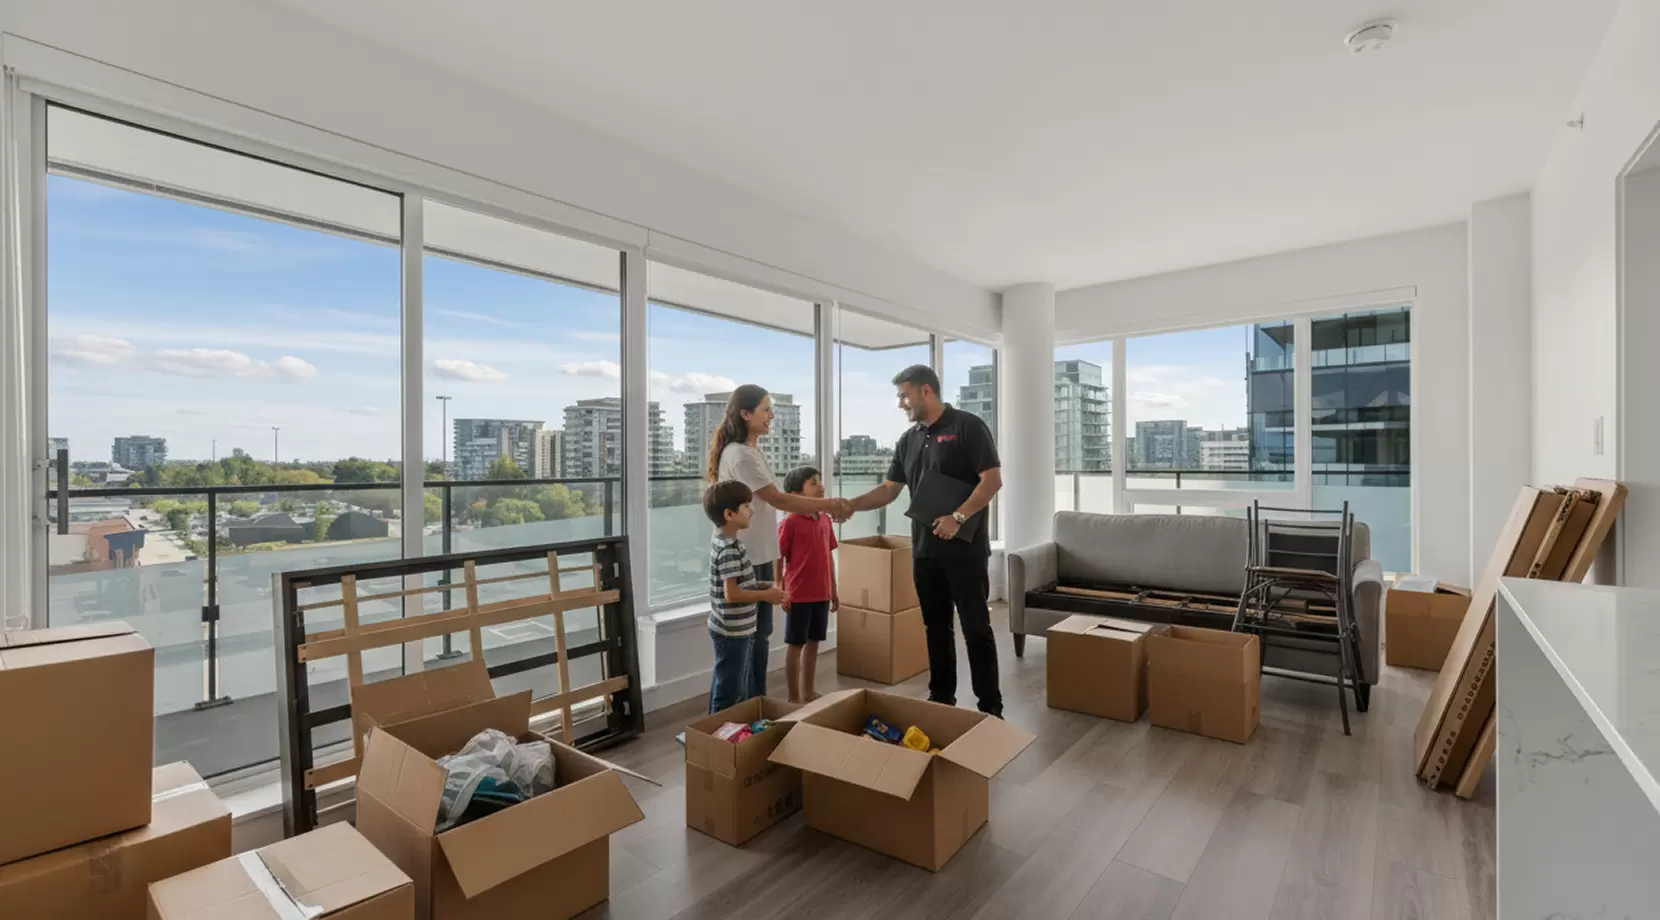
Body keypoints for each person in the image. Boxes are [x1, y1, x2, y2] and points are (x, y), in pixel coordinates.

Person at [847, 364, 1004, 716]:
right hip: (925, 551)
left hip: (965, 550)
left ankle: (990, 709)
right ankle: (942, 700)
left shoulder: (968, 426)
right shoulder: (909, 440)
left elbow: (991, 480)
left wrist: (958, 517)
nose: (901, 403)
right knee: (936, 627)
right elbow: (890, 490)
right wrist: (850, 505)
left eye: (905, 395)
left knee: (976, 629)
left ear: (926, 391)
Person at [709, 385, 852, 699]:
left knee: (759, 637)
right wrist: (829, 505)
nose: (771, 415)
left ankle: (756, 707)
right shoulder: (740, 454)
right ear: (746, 414)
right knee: (749, 641)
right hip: (749, 557)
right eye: (765, 409)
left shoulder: (751, 451)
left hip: (757, 553)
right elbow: (779, 500)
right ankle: (746, 712)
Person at [704, 480, 786, 714]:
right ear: (729, 514)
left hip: (737, 629)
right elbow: (732, 594)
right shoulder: (729, 548)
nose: (752, 510)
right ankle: (718, 739)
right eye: (746, 506)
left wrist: (766, 586)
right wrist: (765, 595)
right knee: (730, 691)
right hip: (732, 631)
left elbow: (741, 583)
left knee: (725, 682)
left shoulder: (728, 542)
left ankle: (713, 734)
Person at [776, 466, 838, 703]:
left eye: (820, 481)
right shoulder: (790, 523)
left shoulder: (824, 519)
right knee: (796, 645)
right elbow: (778, 556)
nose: (821, 486)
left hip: (822, 593)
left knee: (813, 644)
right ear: (796, 493)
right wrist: (780, 589)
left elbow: (828, 555)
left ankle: (808, 692)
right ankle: (793, 698)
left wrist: (834, 588)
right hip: (798, 595)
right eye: (813, 483)